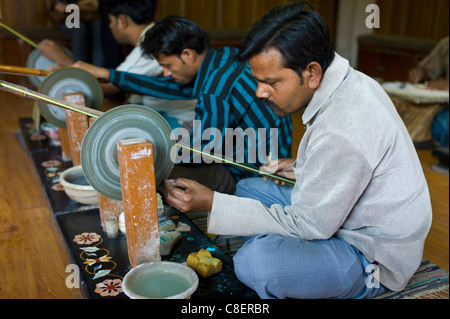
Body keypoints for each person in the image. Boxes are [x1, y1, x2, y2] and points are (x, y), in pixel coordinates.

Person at [163, 2, 432, 299]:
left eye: (271, 82)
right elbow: (344, 167)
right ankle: (281, 246)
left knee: (255, 263)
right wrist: (302, 166)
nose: (259, 92)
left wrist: (212, 202)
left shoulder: (343, 127)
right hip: (344, 216)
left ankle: (291, 256)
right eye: (257, 80)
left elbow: (311, 223)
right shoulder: (348, 81)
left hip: (372, 253)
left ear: (312, 73)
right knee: (249, 188)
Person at [72, 15, 293, 194]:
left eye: (167, 66)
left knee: (156, 172)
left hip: (253, 174)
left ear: (187, 55)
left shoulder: (213, 90)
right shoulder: (227, 56)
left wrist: (153, 153)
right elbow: (170, 86)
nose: (166, 73)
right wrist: (108, 74)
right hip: (276, 152)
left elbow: (204, 150)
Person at [40, 0, 196, 127]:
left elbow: (109, 86)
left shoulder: (153, 44)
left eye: (110, 21)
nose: (109, 26)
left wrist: (63, 60)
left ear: (122, 20)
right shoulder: (150, 38)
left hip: (179, 124)